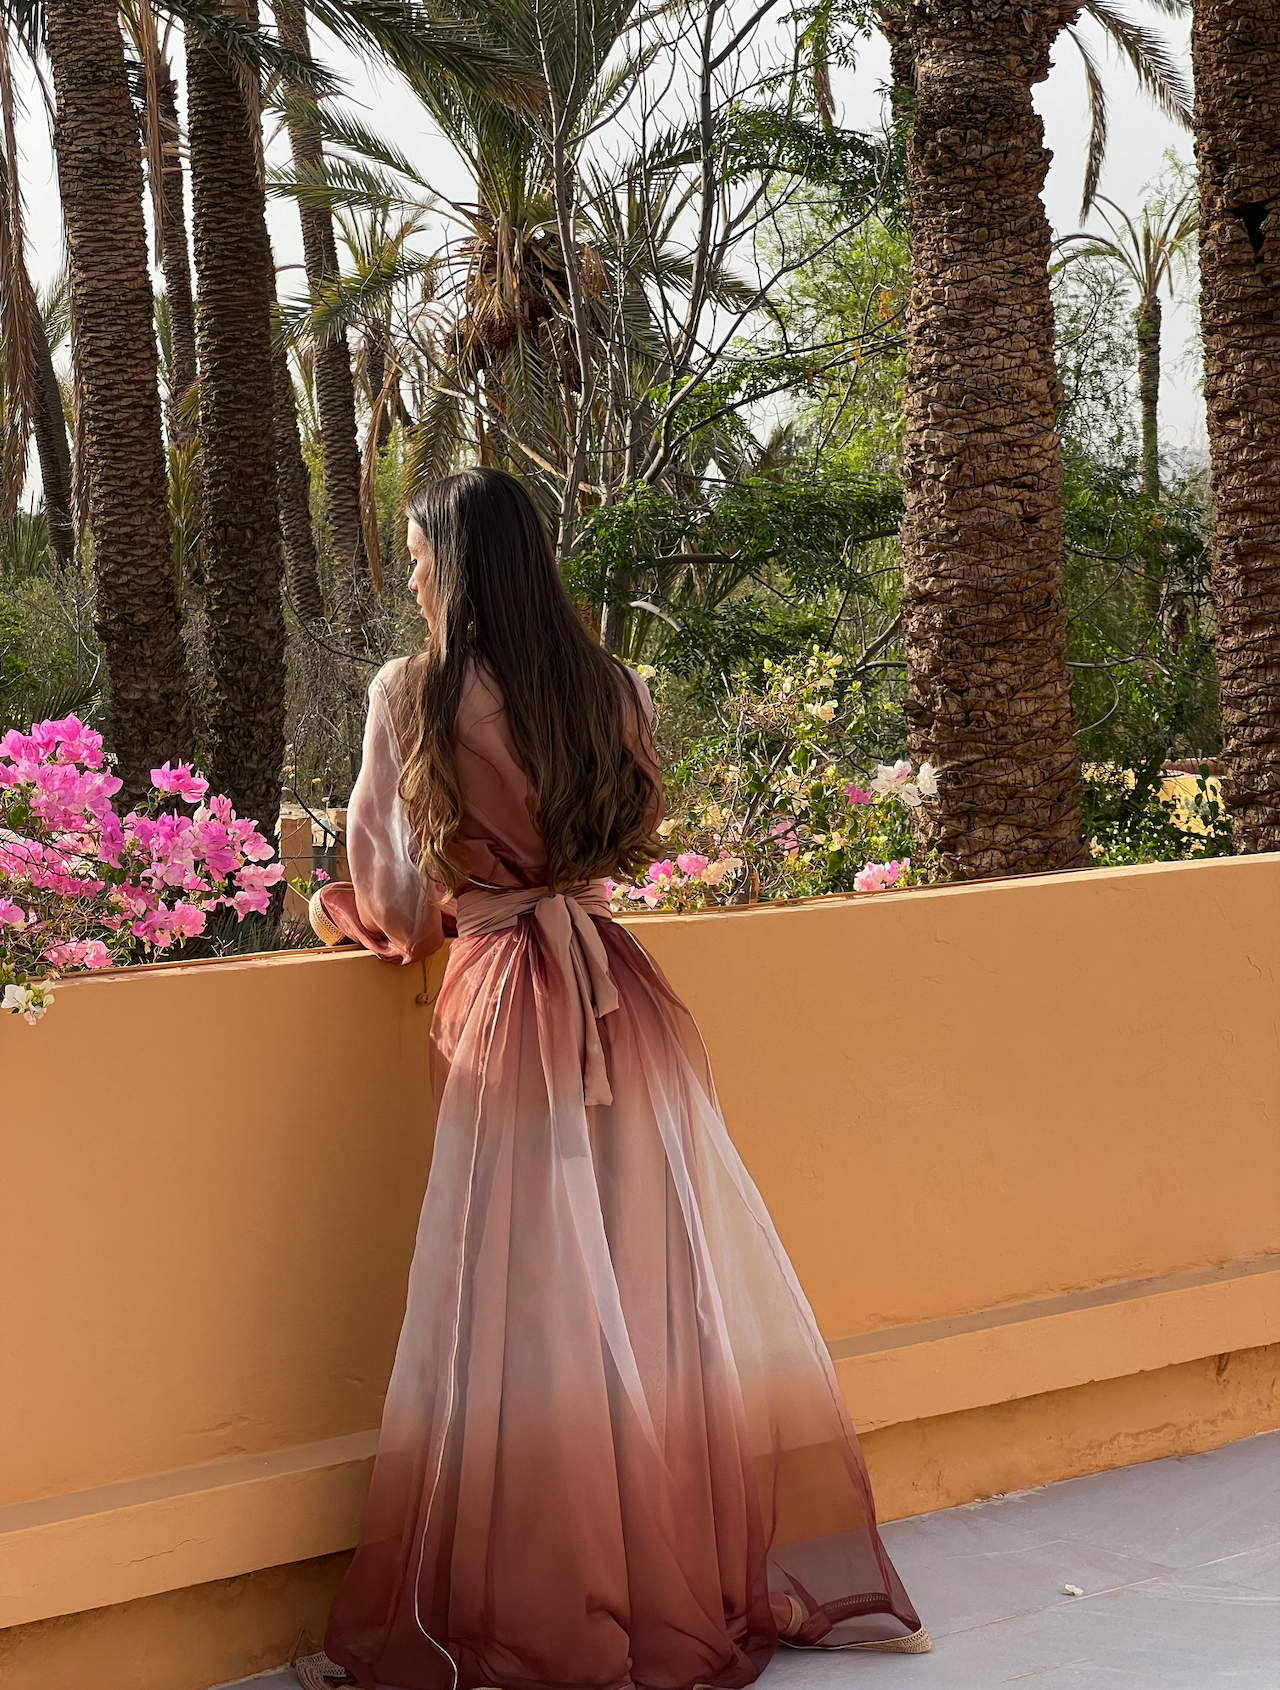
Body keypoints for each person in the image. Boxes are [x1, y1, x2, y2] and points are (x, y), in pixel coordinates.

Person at [298, 468, 927, 1690]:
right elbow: (625, 838)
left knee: (518, 1314)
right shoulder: (613, 688)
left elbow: (391, 903)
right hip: (621, 1004)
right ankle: (657, 1582)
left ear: (460, 564)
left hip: (501, 1009)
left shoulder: (411, 693)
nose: (411, 575)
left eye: (420, 554)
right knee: (640, 1301)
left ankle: (538, 1601)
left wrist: (344, 908)